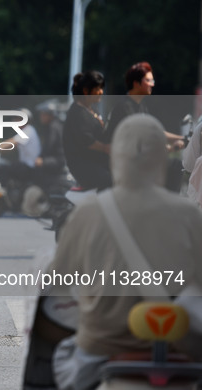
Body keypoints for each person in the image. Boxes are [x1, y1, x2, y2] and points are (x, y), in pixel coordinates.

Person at [50, 114, 202, 390]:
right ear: (160, 159)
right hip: (179, 346)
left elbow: (56, 282)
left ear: (115, 158)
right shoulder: (189, 214)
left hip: (102, 345)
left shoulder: (87, 212)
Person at [104, 62, 185, 192]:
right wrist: (167, 146)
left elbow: (154, 130)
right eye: (148, 80)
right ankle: (167, 207)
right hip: (125, 163)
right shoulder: (125, 108)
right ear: (136, 83)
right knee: (175, 165)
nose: (152, 84)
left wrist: (183, 138)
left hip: (135, 159)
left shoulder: (140, 106)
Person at [62, 71, 111, 190]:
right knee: (110, 179)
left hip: (98, 162)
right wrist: (106, 148)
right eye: (97, 89)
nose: (101, 92)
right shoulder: (77, 113)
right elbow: (87, 141)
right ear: (85, 91)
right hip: (83, 165)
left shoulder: (92, 110)